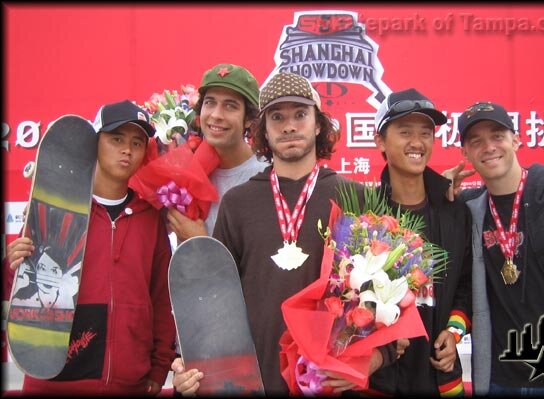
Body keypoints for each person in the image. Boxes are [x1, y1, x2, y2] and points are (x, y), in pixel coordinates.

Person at [170, 72, 396, 396]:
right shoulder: (238, 203)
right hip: (256, 381)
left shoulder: (356, 197)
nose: (289, 126)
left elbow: (388, 296)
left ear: (318, 124)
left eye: (300, 115)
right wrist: (193, 362)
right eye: (277, 117)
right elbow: (214, 303)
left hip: (330, 383)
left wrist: (373, 359)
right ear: (262, 129)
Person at [5, 100, 176, 396]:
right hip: (54, 379)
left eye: (137, 142)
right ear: (95, 143)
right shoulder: (58, 206)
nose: (127, 150)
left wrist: (160, 367)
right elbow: (21, 292)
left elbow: (161, 298)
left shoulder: (151, 218)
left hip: (129, 383)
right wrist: (12, 266)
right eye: (116, 139)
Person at [455, 101, 544, 396]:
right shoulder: (470, 211)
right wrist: (436, 190)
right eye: (476, 141)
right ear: (465, 153)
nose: (489, 147)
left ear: (516, 139)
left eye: (497, 136)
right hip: (500, 380)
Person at [367, 88, 472, 396]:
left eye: (426, 133)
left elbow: (466, 286)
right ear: (380, 142)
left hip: (441, 377)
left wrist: (453, 333)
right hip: (382, 380)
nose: (417, 142)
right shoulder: (365, 216)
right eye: (405, 132)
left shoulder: (455, 212)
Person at [166, 63, 269, 239]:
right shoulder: (186, 171)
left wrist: (199, 241)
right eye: (210, 103)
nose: (216, 115)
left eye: (230, 106)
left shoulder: (267, 176)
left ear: (249, 120)